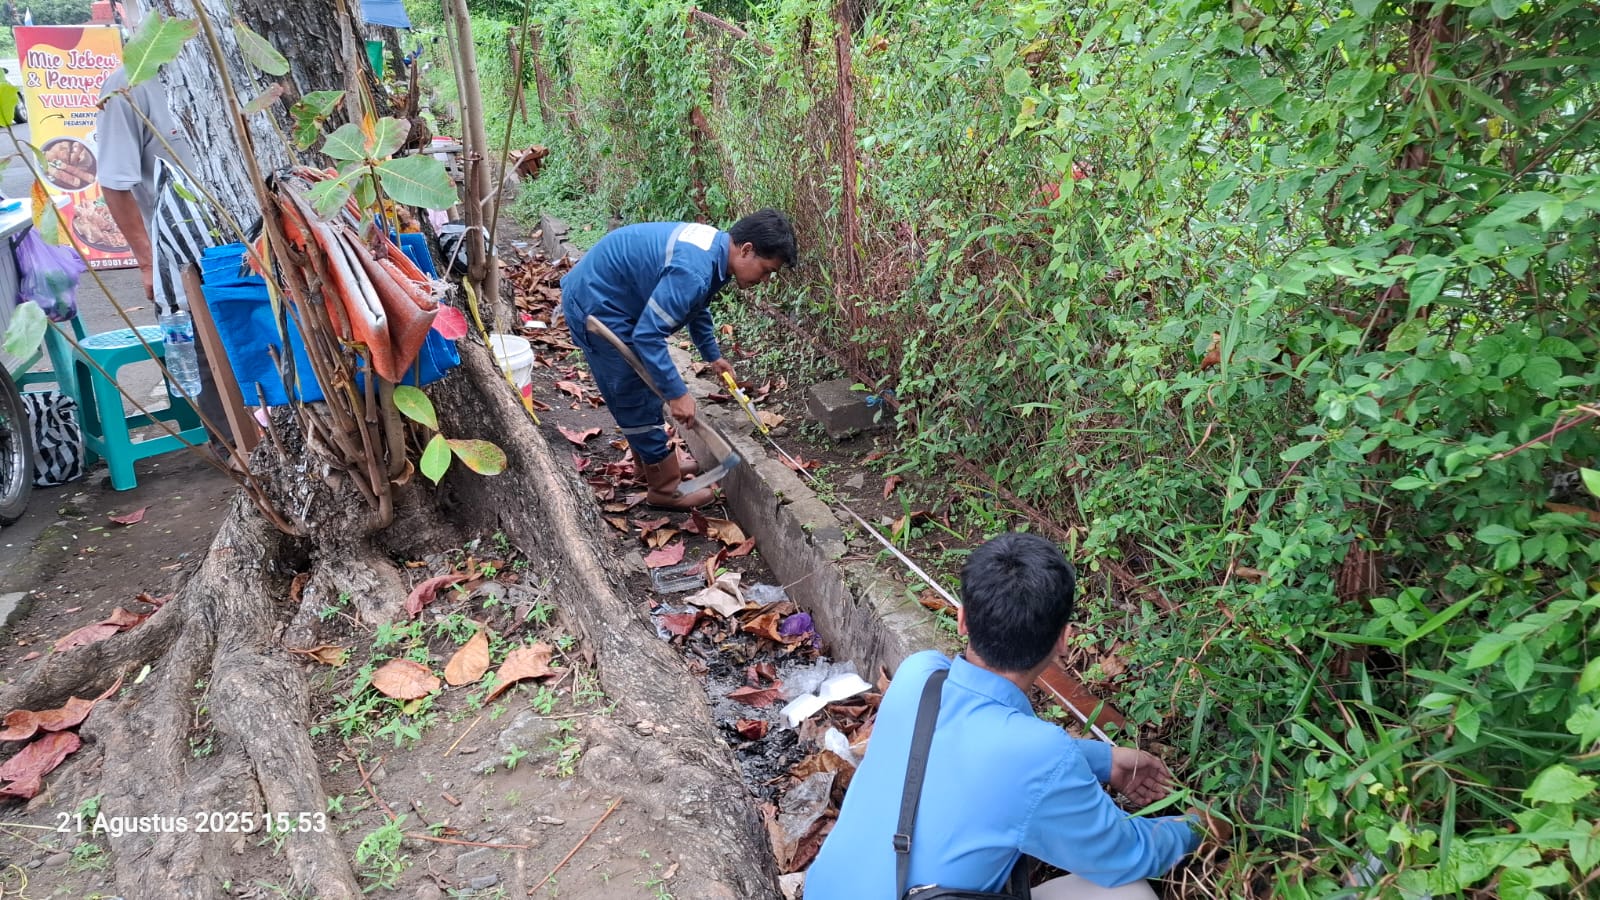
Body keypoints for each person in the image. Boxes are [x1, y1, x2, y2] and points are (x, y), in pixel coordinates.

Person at [805, 532, 1230, 899]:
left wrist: (1106, 760)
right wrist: (1203, 824)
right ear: (1064, 640)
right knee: (1129, 892)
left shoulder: (920, 675)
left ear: (962, 618)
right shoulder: (1040, 754)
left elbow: (981, 751)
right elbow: (1126, 855)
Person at [560, 210, 797, 509]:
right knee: (631, 393)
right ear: (747, 249)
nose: (764, 280)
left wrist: (712, 356)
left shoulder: (715, 251)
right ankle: (664, 487)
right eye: (766, 270)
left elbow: (696, 305)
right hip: (595, 302)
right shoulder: (694, 270)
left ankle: (649, 466)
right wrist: (678, 394)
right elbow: (648, 336)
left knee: (644, 387)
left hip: (615, 295)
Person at [97, 65, 235, 452]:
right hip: (181, 260)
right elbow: (114, 183)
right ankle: (235, 455)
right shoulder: (129, 86)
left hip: (245, 247)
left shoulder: (219, 63)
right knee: (205, 359)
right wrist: (146, 262)